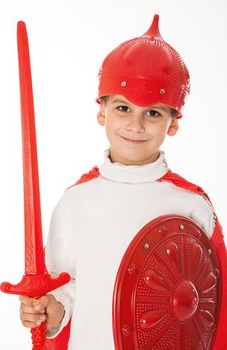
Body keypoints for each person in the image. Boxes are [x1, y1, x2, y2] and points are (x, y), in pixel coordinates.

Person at [19, 14, 227, 349]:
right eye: (123, 108)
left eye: (154, 113)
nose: (136, 125)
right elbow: (65, 287)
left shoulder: (191, 206)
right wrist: (49, 311)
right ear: (101, 111)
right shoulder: (76, 201)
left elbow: (210, 310)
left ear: (173, 123)